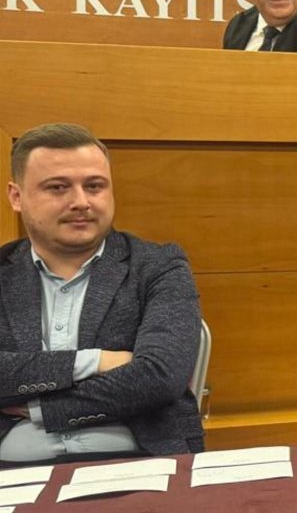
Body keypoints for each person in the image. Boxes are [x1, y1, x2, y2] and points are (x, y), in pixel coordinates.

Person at [0, 123, 205, 463]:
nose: (81, 202)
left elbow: (160, 376)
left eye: (94, 186)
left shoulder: (158, 266)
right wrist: (95, 361)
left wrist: (41, 408)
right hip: (11, 467)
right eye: (58, 188)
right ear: (16, 196)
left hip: (140, 458)